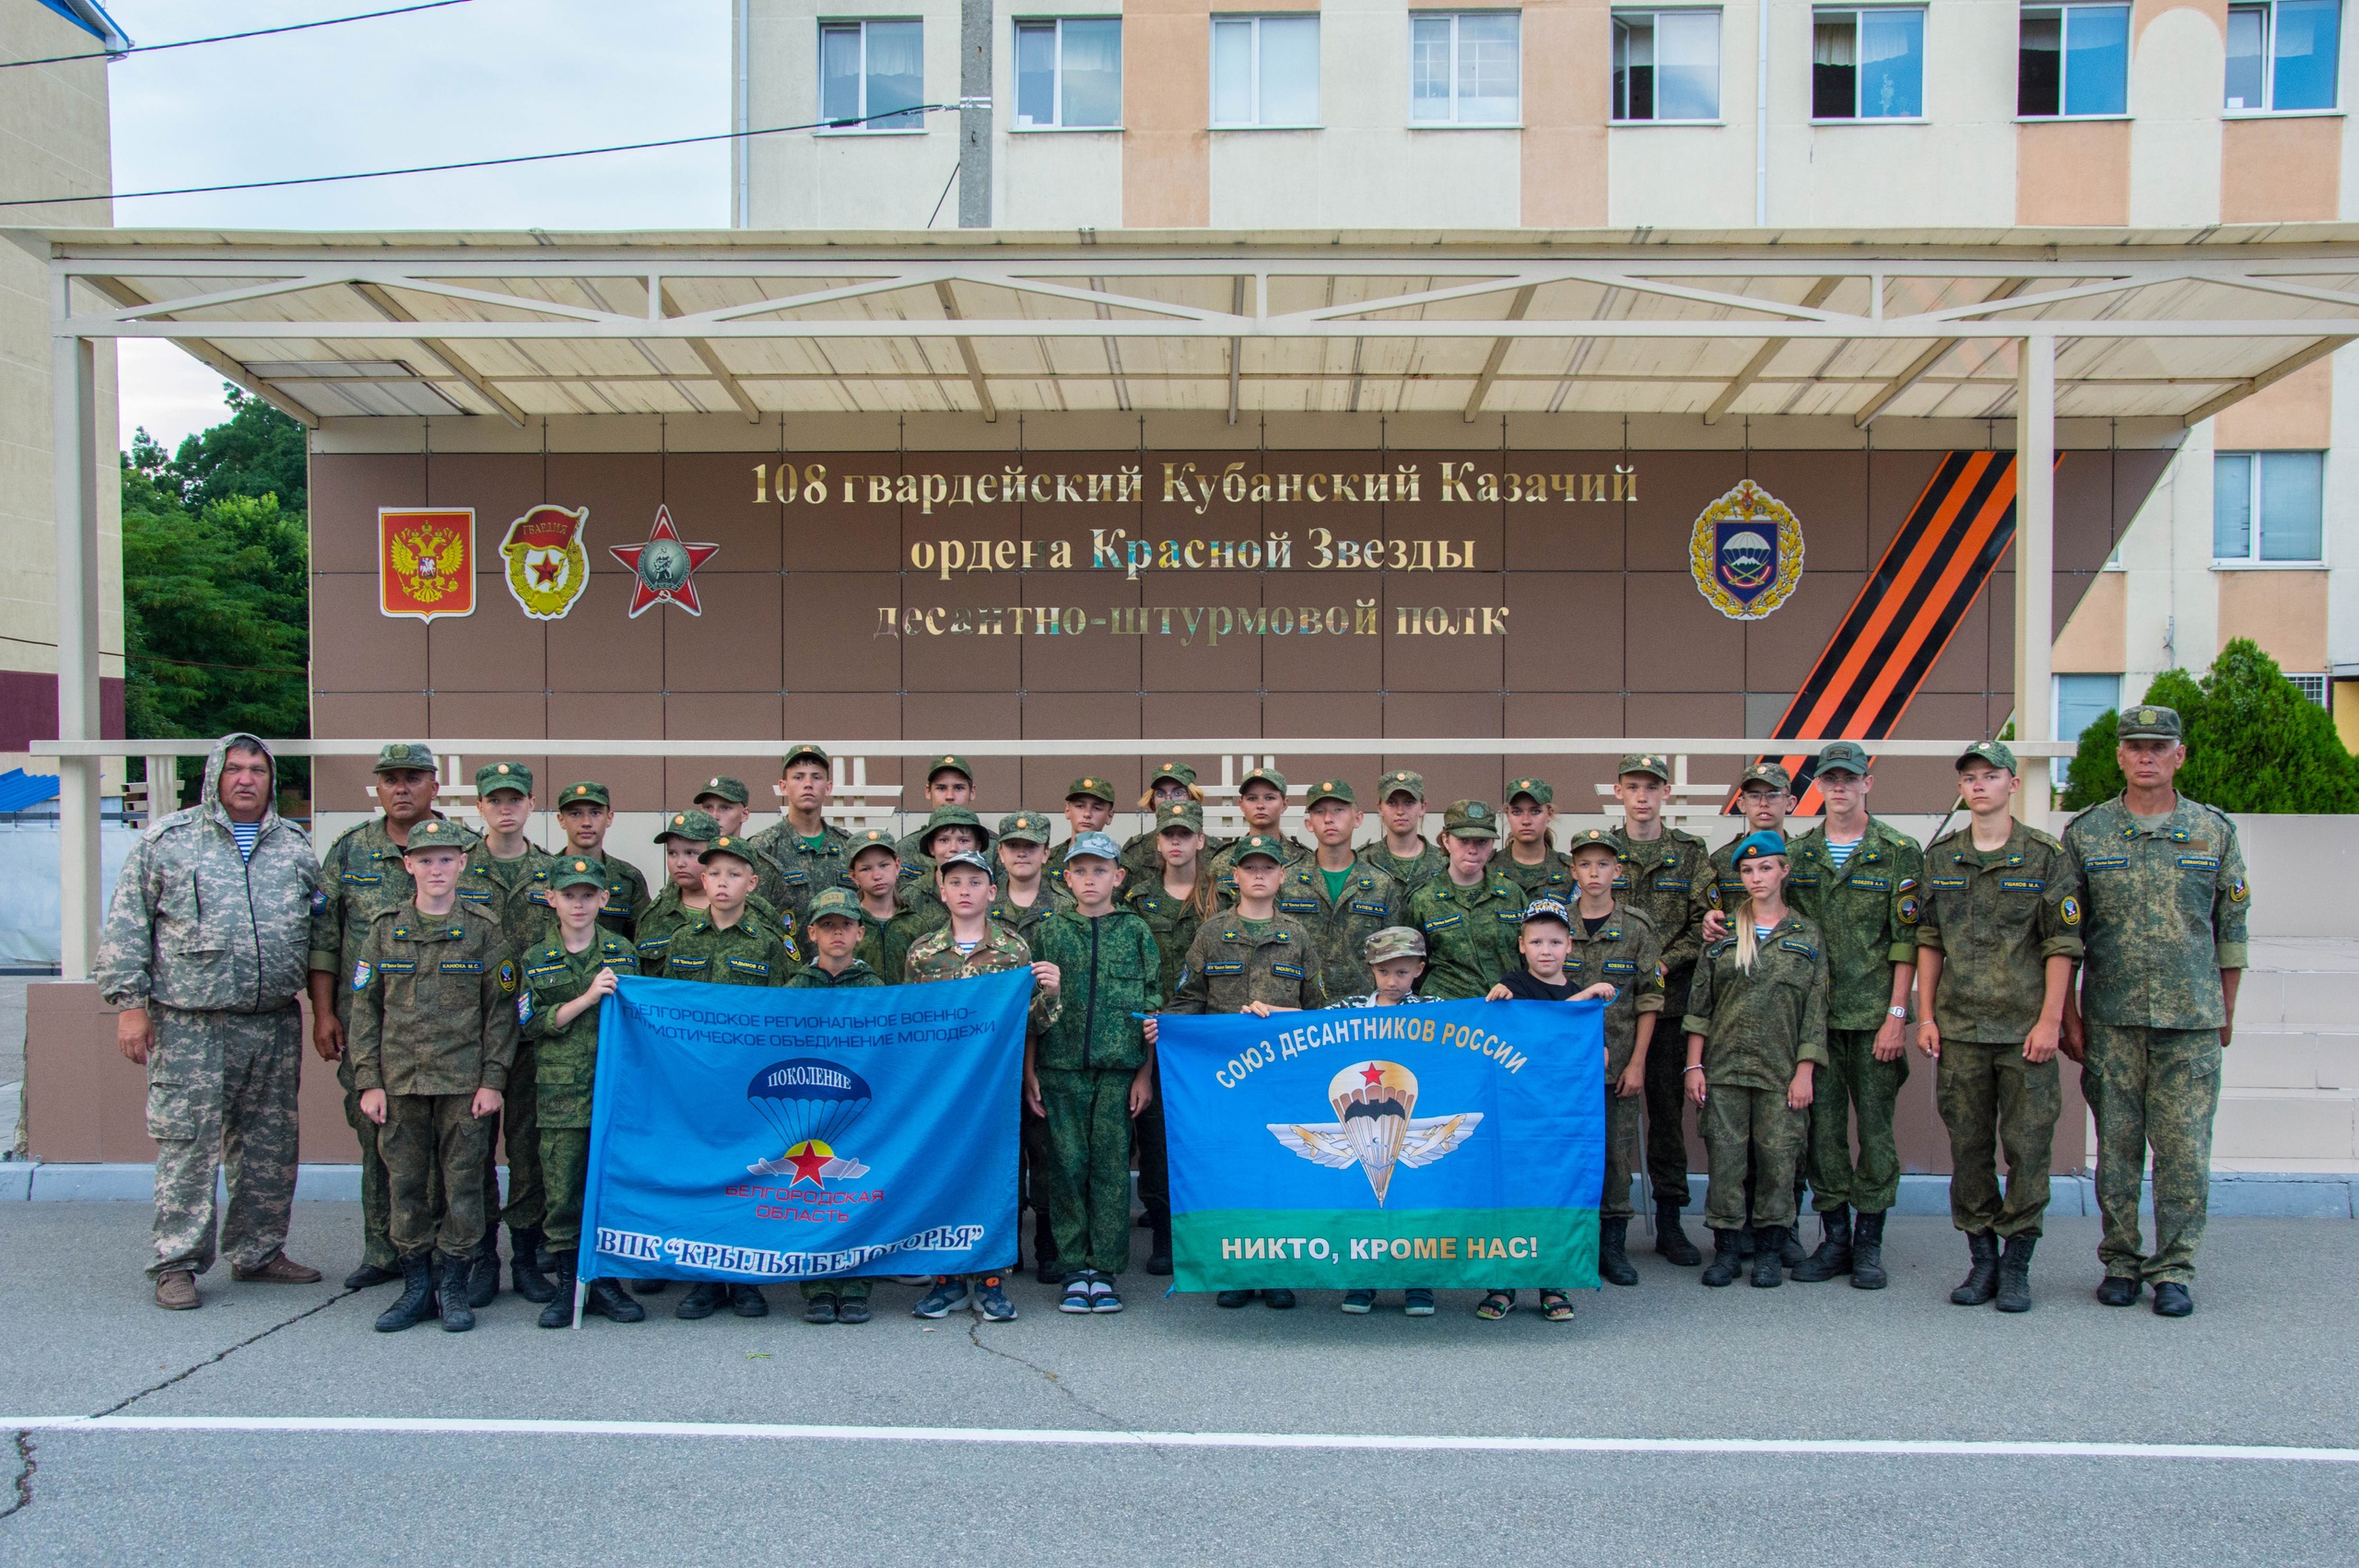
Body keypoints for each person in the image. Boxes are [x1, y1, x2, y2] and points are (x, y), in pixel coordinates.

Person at [99, 733, 325, 1311]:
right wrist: (130, 1004)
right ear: (214, 777)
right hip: (189, 1023)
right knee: (188, 1145)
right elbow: (128, 926)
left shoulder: (295, 847)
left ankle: (258, 1252)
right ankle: (176, 1262)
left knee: (270, 1145)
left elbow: (322, 930)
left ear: (271, 779)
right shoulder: (168, 842)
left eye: (258, 770)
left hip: (273, 1021)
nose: (247, 779)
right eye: (235, 769)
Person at [2061, 704, 2248, 1318]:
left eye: (2157, 747)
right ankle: (2120, 1260)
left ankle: (2173, 1269)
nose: (2146, 757)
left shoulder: (2212, 831)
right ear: (2119, 756)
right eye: (2135, 747)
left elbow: (2232, 930)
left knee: (2184, 1152)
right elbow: (2064, 935)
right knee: (2116, 1148)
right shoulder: (2088, 834)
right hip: (2112, 1019)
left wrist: (2226, 1010)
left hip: (2190, 1023)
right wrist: (2068, 1015)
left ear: (2179, 755)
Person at [1916, 741, 2083, 1315]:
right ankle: (1981, 1257)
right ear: (1961, 789)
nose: (1980, 785)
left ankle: (2017, 1263)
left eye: (1991, 776)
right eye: (1970, 778)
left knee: (2029, 1148)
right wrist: (1926, 1014)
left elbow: (2062, 944)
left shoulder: (2044, 855)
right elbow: (1929, 940)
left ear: (2013, 784)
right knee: (1968, 1148)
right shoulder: (1940, 859)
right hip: (1961, 1030)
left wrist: (2050, 1022)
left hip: (2024, 1033)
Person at [346, 818, 520, 1333]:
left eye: (446, 859)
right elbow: (364, 1011)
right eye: (425, 859)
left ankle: (454, 1285)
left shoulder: (485, 930)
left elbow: (501, 1013)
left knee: (464, 1185)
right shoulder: (383, 929)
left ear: (462, 864)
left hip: (464, 1086)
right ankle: (416, 1287)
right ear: (408, 866)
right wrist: (368, 1081)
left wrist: (493, 1079)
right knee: (406, 1187)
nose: (436, 868)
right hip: (399, 1083)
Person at [1154, 832, 1327, 1310]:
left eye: (1266, 868)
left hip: (1282, 1079)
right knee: (1231, 1169)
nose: (1257, 875)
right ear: (1235, 877)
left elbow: (1319, 1010)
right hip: (1226, 1078)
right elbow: (1189, 999)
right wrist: (1167, 1030)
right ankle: (1235, 1270)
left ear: (1281, 876)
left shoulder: (1297, 936)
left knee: (1279, 1170)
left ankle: (1278, 1270)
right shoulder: (1211, 933)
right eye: (1249, 868)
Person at [1778, 741, 1922, 1291]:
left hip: (1872, 1019)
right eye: (1829, 779)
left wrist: (1896, 1015)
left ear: (1867, 783)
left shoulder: (1898, 851)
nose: (1838, 787)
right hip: (1816, 1021)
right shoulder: (1802, 853)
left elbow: (1907, 940)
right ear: (1818, 785)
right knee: (1823, 1133)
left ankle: (1870, 1244)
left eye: (1849, 778)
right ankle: (1834, 1238)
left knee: (1878, 1133)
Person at [309, 741, 446, 1290]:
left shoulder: (461, 847)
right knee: (377, 1136)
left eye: (414, 777)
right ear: (378, 788)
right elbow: (323, 940)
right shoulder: (348, 852)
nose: (402, 788)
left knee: (446, 1142)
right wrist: (323, 1013)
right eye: (391, 779)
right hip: (372, 1027)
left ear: (434, 785)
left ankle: (446, 1252)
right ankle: (383, 1249)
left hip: (444, 1027)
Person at [906, 851, 1063, 1323]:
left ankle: (992, 1279)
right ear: (942, 891)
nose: (966, 890)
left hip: (996, 1088)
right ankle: (947, 1280)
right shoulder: (922, 953)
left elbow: (1027, 1022)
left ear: (992, 892)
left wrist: (1052, 995)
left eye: (975, 881)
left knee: (998, 1180)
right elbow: (910, 1024)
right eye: (955, 881)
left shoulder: (1013, 950)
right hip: (942, 1091)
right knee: (944, 1178)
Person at [1682, 833, 1828, 1290]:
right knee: (1725, 1162)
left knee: (1778, 1161)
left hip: (1780, 1072)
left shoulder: (1806, 934)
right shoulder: (1723, 934)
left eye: (1765, 868)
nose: (1756, 877)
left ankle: (1768, 1251)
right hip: (1724, 1070)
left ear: (1784, 871)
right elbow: (1699, 1008)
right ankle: (1726, 1252)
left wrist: (1805, 1071)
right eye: (1747, 870)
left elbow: (1816, 1010)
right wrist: (1693, 1066)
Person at [661, 834, 796, 1321]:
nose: (722, 882)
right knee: (700, 1175)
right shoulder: (682, 940)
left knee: (746, 1177)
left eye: (734, 874)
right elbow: (668, 1011)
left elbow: (788, 1012)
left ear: (752, 883)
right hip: (695, 1083)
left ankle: (744, 1278)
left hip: (748, 1083)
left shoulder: (770, 943)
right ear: (702, 878)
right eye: (714, 873)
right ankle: (702, 1280)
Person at [1029, 833, 1162, 1315]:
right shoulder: (1049, 932)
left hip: (1118, 1072)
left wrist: (1144, 1075)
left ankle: (1103, 1268)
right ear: (1066, 878)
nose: (1090, 879)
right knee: (1066, 1167)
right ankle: (1072, 1266)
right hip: (1059, 1068)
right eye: (1081, 870)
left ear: (1118, 877)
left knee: (1108, 1169)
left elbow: (1151, 1010)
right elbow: (1031, 1010)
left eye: (1100, 870)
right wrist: (1030, 1072)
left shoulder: (1136, 931)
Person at [1474, 895, 1621, 1323]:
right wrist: (1498, 998)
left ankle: (1553, 1283)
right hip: (1514, 1114)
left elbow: (1596, 1054)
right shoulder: (1513, 987)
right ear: (1522, 945)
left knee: (1554, 1193)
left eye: (1555, 942)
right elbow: (1532, 1024)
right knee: (1508, 1192)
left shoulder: (1578, 996)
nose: (1545, 950)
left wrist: (1592, 1020)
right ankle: (1502, 1284)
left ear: (1569, 946)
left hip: (1558, 1121)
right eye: (1536, 941)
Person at [515, 855, 646, 1328]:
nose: (578, 903)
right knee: (564, 1194)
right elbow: (527, 1023)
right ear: (551, 899)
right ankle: (569, 1287)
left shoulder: (622, 952)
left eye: (588, 895)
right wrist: (587, 998)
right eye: (569, 895)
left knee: (608, 1191)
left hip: (614, 1094)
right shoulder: (535, 957)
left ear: (604, 899)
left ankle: (606, 1284)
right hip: (561, 1096)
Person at [458, 761, 559, 1310]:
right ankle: (479, 1258)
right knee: (471, 1152)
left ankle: (525, 1257)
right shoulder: (458, 867)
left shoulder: (554, 871)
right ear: (479, 807)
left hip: (533, 1037)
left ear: (530, 805)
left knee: (527, 1149)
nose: (505, 808)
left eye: (514, 799)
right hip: (468, 1034)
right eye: (494, 800)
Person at [1608, 753, 1716, 1266]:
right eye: (1634, 787)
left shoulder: (1691, 854)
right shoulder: (1598, 851)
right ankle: (1611, 1226)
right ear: (1619, 792)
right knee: (1612, 1121)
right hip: (1612, 1011)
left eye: (1652, 787)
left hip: (1670, 1006)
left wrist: (1659, 965)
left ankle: (1670, 1223)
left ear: (1666, 793)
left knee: (1668, 1120)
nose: (1643, 796)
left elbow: (1705, 925)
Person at [1561, 826, 1666, 1287]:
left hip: (1619, 1064)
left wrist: (1638, 1062)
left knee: (1615, 1156)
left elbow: (1649, 1001)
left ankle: (1613, 1246)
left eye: (1603, 864)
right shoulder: (1554, 925)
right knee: (1565, 1153)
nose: (1594, 872)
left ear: (1617, 871)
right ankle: (1571, 1243)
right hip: (1563, 1069)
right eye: (1585, 864)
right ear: (1573, 871)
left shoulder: (1638, 928)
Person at [1124, 800, 1220, 1277]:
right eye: (1169, 835)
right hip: (1154, 1031)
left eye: (1186, 834)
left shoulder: (1221, 894)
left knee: (1206, 1135)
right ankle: (1163, 1233)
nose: (1177, 842)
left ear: (1201, 841)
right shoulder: (1138, 899)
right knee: (1157, 1137)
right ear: (1157, 843)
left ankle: (1207, 1231)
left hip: (1208, 1036)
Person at [786, 888, 887, 1325]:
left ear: (860, 932)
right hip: (809, 1111)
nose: (837, 933)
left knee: (854, 1193)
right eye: (828, 926)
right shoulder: (794, 988)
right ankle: (818, 1288)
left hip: (858, 1109)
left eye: (845, 925)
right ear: (812, 933)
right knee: (812, 1196)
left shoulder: (876, 988)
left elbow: (889, 1050)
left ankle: (855, 1287)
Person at [1332, 926, 1441, 1316]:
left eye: (1402, 972)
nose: (1392, 981)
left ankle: (1418, 1283)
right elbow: (1301, 1024)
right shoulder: (1347, 1012)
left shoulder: (1433, 1011)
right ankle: (1363, 1282)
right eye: (1384, 972)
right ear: (1371, 968)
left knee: (1414, 1202)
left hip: (1408, 1125)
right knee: (1364, 1203)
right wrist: (1266, 1012)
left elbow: (1480, 1025)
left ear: (1419, 969)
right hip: (1363, 1129)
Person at [992, 810, 1067, 1281]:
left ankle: (1047, 1240)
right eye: (1013, 845)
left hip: (1053, 1043)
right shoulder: (981, 902)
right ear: (1000, 854)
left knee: (1046, 1150)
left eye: (1031, 846)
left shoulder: (1064, 906)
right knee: (1000, 1152)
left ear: (1045, 852)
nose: (1022, 852)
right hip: (995, 1054)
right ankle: (1005, 1240)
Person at [1278, 779, 1404, 1003]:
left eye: (1339, 810)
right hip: (1300, 1009)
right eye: (1319, 812)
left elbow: (1393, 957)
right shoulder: (1286, 880)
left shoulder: (1381, 883)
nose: (1329, 819)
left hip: (1361, 1010)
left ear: (1358, 818)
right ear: (1309, 824)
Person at [636, 808, 795, 976]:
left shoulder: (760, 913)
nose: (680, 863)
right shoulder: (654, 915)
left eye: (691, 853)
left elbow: (785, 979)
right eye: (672, 853)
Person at [1403, 801, 1526, 1000]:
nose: (1472, 850)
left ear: (1492, 844)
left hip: (1505, 1008)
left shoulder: (1512, 894)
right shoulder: (1423, 900)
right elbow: (1412, 967)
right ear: (1446, 840)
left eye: (1482, 842)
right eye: (1463, 840)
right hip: (1449, 1015)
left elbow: (1528, 959)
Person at [744, 743, 853, 930]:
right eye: (798, 777)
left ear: (828, 788)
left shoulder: (848, 846)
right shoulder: (763, 847)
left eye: (816, 777)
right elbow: (753, 916)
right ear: (783, 787)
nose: (808, 784)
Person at [553, 781, 649, 941]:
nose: (586, 823)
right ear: (561, 820)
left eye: (595, 813)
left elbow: (642, 940)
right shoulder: (545, 873)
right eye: (575, 814)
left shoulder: (628, 878)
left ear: (609, 818)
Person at [1206, 766, 1309, 893]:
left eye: (1269, 798)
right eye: (1252, 798)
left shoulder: (1304, 861)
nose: (1260, 805)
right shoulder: (1223, 861)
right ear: (1241, 805)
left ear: (1284, 804)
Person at [1708, 763, 1795, 909]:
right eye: (1754, 796)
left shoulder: (1803, 856)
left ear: (1790, 803)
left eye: (1773, 795)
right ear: (1742, 804)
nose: (1763, 803)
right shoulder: (1721, 860)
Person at [1120, 761, 1222, 884]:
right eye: (1161, 794)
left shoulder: (1216, 853)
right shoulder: (1136, 851)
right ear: (1152, 802)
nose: (1168, 800)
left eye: (1178, 793)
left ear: (1192, 798)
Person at [1357, 770, 1449, 894]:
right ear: (1380, 808)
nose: (1400, 811)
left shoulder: (1445, 863)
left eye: (1409, 802)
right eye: (1392, 803)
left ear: (1423, 807)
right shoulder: (1363, 860)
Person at [895, 753, 980, 882]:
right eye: (941, 788)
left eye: (958, 788)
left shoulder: (994, 848)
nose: (950, 796)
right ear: (928, 791)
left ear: (972, 792)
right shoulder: (905, 848)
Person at [843, 828, 907, 975]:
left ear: (897, 866)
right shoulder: (848, 924)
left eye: (884, 865)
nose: (877, 876)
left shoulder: (914, 923)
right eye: (866, 869)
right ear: (853, 876)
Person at [1498, 777, 1572, 901]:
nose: (1526, 821)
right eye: (1516, 812)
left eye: (1535, 811)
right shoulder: (1488, 868)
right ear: (1507, 814)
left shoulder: (1570, 870)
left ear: (1549, 814)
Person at [1044, 777, 1117, 902]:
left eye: (1097, 808)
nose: (1087, 814)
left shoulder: (1121, 865)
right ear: (1067, 810)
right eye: (1080, 806)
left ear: (1110, 815)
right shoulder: (1045, 862)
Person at [692, 774, 754, 838]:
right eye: (708, 808)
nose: (714, 816)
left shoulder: (754, 847)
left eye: (725, 808)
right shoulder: (685, 848)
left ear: (744, 814)